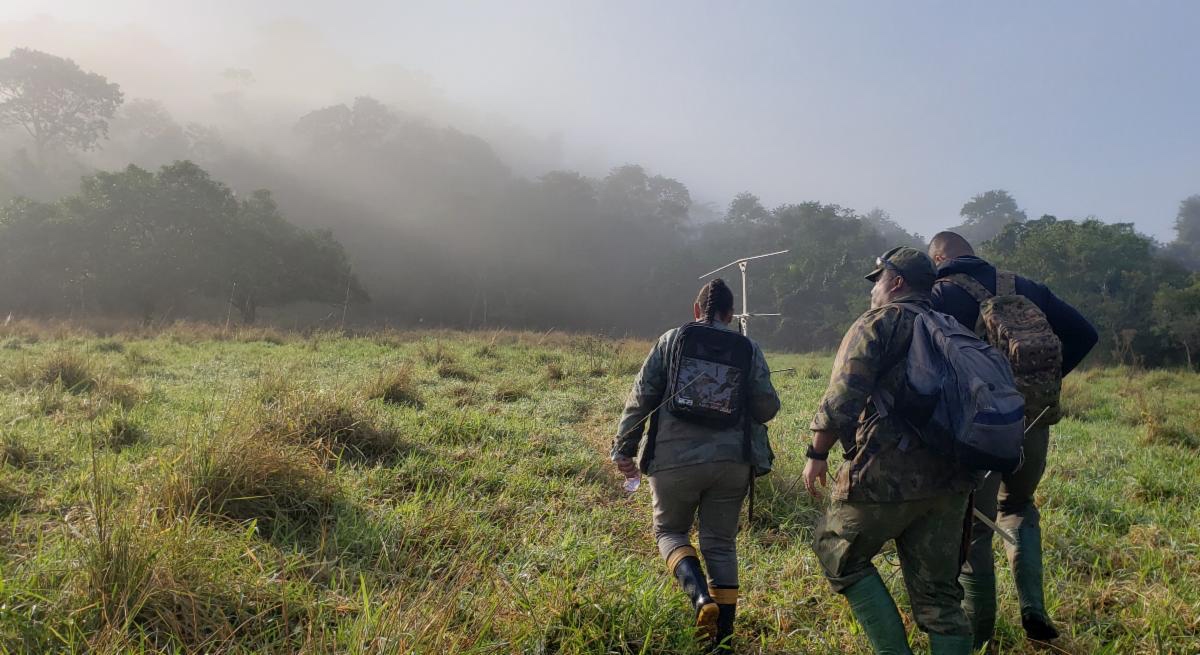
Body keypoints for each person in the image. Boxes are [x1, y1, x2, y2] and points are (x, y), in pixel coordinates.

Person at [805, 246, 978, 655]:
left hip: (887, 472)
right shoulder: (955, 328)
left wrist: (817, 453)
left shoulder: (879, 323)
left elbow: (843, 398)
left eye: (877, 280)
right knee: (939, 596)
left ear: (896, 282)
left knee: (836, 550)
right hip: (953, 480)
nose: (873, 290)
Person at [928, 231, 1097, 647]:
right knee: (1019, 506)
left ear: (938, 258)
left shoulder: (939, 293)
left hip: (980, 428)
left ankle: (980, 638)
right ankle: (1034, 610)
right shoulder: (1026, 287)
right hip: (1032, 420)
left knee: (977, 527)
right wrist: (1040, 384)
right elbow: (1084, 333)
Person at [611, 278, 780, 651]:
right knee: (720, 543)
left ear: (696, 310)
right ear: (730, 314)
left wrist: (624, 448)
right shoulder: (748, 348)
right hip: (732, 462)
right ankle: (723, 642)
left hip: (673, 460)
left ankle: (700, 598)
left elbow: (641, 397)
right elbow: (767, 408)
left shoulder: (672, 340)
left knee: (670, 532)